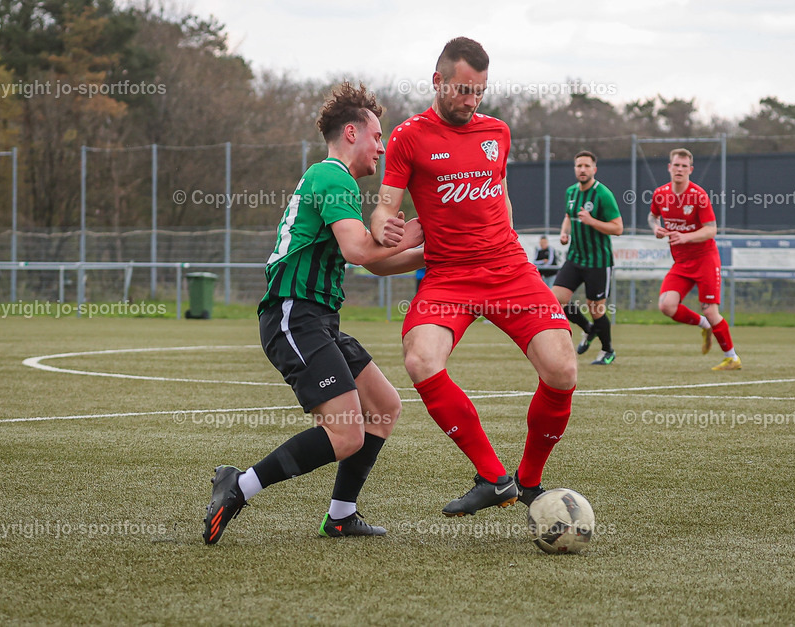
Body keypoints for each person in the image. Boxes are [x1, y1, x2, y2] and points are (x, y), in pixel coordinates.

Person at [204, 82, 425, 544]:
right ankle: (238, 484)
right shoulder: (332, 177)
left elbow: (375, 264)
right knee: (347, 434)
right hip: (293, 315)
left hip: (320, 319)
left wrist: (432, 251)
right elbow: (361, 250)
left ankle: (341, 516)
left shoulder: (335, 182)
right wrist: (428, 229)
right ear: (351, 132)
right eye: (377, 137)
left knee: (383, 407)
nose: (382, 148)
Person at [371, 37, 577, 516]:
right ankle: (493, 476)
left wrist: (503, 236)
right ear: (438, 81)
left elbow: (500, 195)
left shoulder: (498, 132)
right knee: (421, 359)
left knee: (563, 369)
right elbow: (385, 209)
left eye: (479, 92)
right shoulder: (408, 136)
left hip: (509, 269)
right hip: (448, 276)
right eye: (463, 90)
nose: (471, 101)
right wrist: (385, 228)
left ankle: (529, 482)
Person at [649, 148, 741, 371]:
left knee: (710, 309)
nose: (679, 169)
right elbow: (653, 216)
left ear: (690, 170)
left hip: (705, 260)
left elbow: (711, 230)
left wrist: (686, 236)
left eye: (684, 166)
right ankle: (704, 324)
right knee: (666, 306)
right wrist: (656, 229)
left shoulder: (698, 195)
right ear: (669, 167)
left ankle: (732, 358)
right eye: (676, 165)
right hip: (681, 263)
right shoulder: (660, 194)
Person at [551, 150, 623, 366]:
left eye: (586, 166)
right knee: (555, 300)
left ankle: (607, 350)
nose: (582, 169)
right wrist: (565, 233)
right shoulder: (571, 192)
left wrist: (592, 221)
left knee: (596, 308)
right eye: (579, 166)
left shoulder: (603, 194)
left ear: (594, 169)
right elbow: (568, 217)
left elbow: (618, 228)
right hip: (575, 257)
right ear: (575, 169)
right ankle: (588, 329)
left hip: (598, 261)